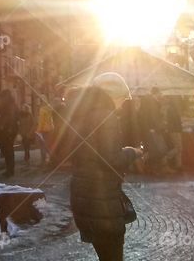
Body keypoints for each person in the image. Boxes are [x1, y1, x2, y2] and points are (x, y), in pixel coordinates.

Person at [68, 82, 133, 261]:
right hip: (101, 198)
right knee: (112, 254)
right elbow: (111, 158)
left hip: (82, 194)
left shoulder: (80, 117)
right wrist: (132, 152)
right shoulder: (106, 116)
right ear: (112, 96)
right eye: (122, 99)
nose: (122, 104)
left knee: (104, 253)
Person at [0, 89, 18, 177]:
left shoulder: (9, 105)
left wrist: (5, 127)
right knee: (7, 150)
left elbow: (10, 117)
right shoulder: (10, 104)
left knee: (8, 150)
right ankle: (9, 169)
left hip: (8, 130)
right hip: (7, 130)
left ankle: (10, 170)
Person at [164, 98, 183, 173]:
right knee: (178, 148)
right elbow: (172, 121)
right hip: (175, 130)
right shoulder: (172, 109)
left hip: (174, 130)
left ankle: (179, 165)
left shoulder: (170, 109)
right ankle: (166, 157)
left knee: (179, 148)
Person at [35, 99, 55, 165]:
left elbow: (41, 121)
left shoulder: (42, 109)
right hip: (51, 129)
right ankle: (52, 159)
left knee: (43, 146)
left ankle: (43, 161)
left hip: (44, 130)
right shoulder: (50, 108)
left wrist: (38, 130)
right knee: (49, 145)